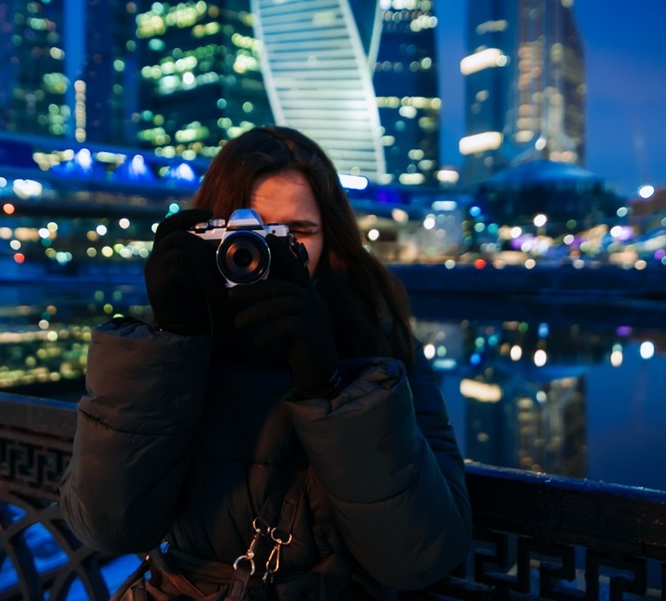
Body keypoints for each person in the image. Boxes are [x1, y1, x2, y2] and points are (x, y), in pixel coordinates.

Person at [59, 126, 471, 600]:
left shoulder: (380, 346)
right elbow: (107, 526)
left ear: (330, 239)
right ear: (209, 234)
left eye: (297, 231)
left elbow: (420, 557)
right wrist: (168, 345)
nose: (269, 251)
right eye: (246, 233)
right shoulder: (180, 345)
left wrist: (331, 386)